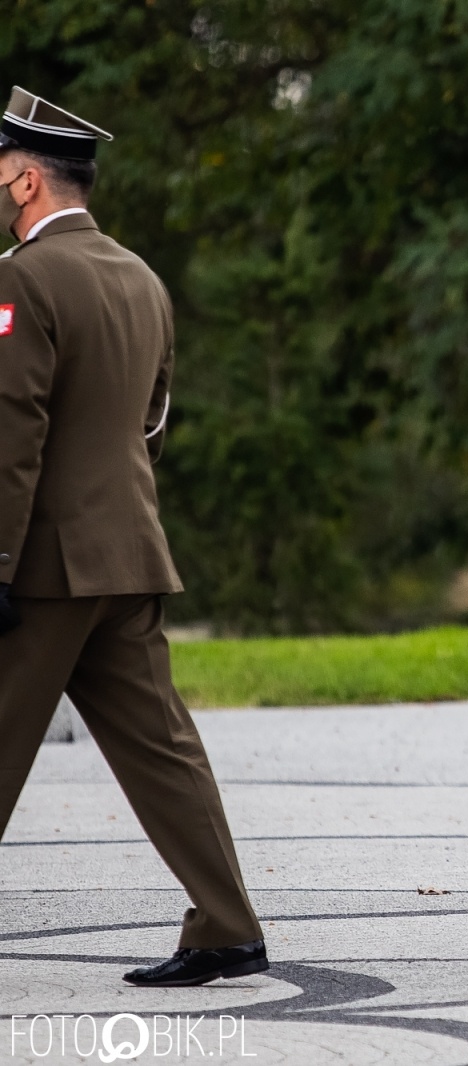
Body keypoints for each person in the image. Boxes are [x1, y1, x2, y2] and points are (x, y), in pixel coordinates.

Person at [0, 88, 267, 985]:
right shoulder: (140, 276)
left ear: (29, 180)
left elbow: (13, 436)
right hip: (129, 551)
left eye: (6, 176)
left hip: (41, 565)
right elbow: (150, 425)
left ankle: (227, 929)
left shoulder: (22, 277)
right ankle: (227, 925)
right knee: (163, 749)